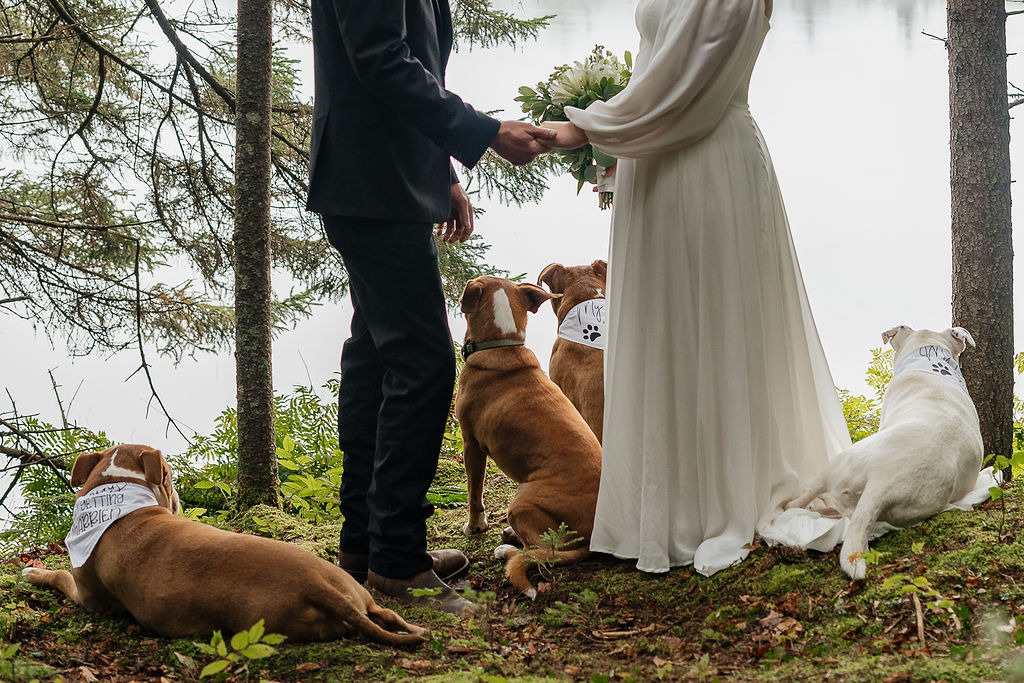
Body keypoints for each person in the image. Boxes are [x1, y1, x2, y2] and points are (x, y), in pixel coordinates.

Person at [542, 0, 854, 576]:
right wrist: (618, 149)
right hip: (660, 159)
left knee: (717, 325)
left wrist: (584, 128)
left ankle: (720, 496)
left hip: (704, 164)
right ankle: (665, 498)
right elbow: (658, 71)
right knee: (666, 327)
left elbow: (688, 86)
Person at [306, 0, 556, 613]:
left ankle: (365, 546)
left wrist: (441, 171)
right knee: (422, 363)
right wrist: (486, 131)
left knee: (375, 358)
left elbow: (413, 64)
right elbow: (381, 60)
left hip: (390, 180)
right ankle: (396, 563)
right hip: (372, 184)